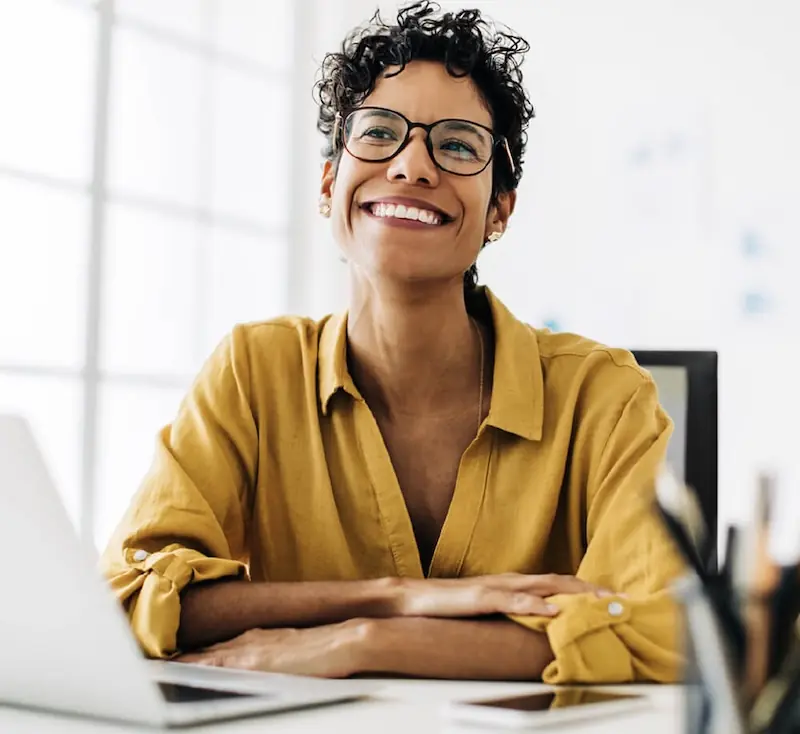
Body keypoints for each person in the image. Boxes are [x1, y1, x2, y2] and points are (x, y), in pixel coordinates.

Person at [101, 0, 685, 684]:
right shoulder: (253, 372)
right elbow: (130, 596)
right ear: (329, 183)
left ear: (500, 209)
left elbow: (662, 630)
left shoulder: (605, 398)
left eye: (459, 144)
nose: (412, 166)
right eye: (379, 133)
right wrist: (392, 596)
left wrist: (370, 643)